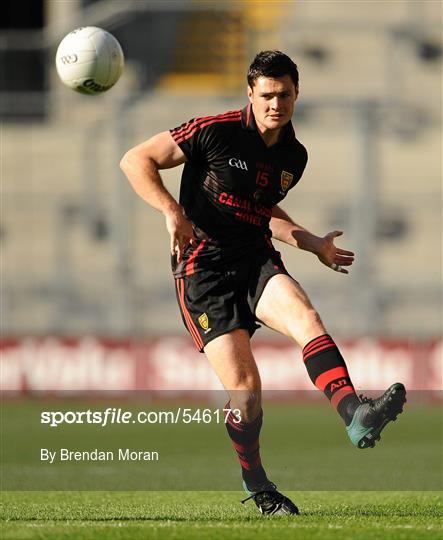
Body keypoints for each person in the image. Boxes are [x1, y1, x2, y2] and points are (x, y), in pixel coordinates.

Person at [120, 50, 406, 516]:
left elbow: (261, 210)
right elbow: (135, 159)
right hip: (203, 274)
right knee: (247, 393)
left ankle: (356, 415)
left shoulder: (294, 156)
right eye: (267, 95)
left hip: (254, 261)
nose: (277, 103)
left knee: (306, 316)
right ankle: (257, 484)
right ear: (250, 95)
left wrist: (314, 243)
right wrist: (172, 212)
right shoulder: (214, 131)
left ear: (297, 94)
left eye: (285, 94)